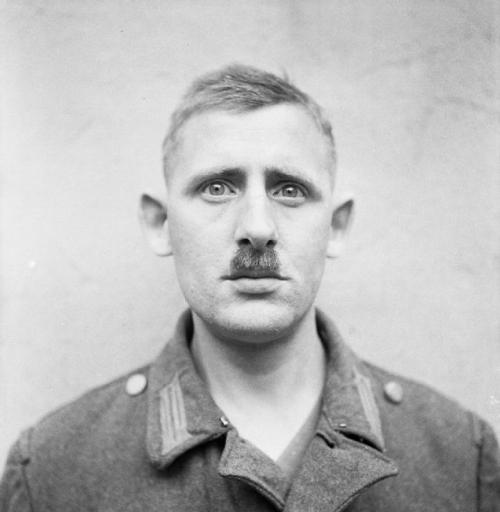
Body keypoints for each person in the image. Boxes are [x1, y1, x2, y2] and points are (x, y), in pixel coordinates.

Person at [1, 64, 499, 511]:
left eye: (289, 189)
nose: (257, 226)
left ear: (337, 226)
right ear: (160, 223)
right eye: (218, 187)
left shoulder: (458, 454)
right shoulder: (54, 469)